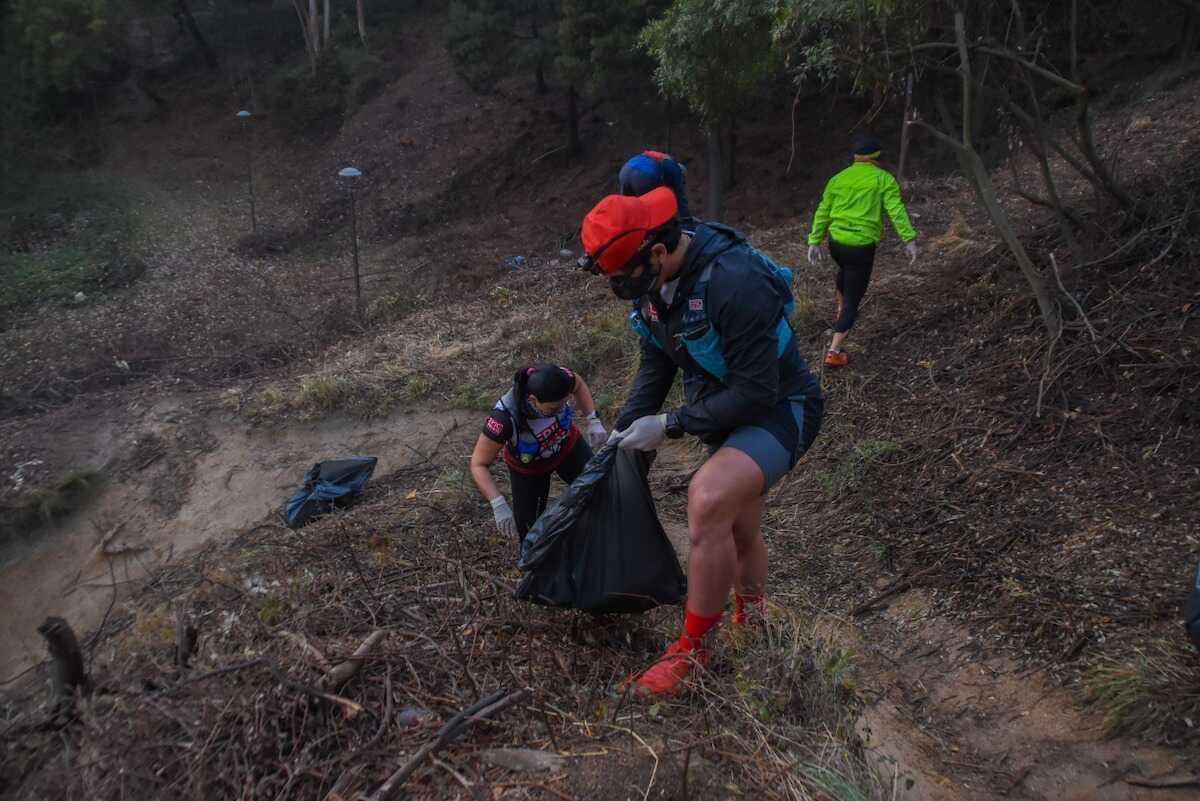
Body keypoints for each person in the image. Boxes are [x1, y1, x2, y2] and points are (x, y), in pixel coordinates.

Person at [578, 186, 824, 697]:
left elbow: (758, 391)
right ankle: (750, 618)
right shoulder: (657, 286)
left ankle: (691, 650)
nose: (621, 289)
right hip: (724, 406)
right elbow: (656, 363)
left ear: (659, 252)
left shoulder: (734, 281)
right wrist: (626, 439)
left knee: (708, 500)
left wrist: (670, 424)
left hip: (781, 409)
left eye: (623, 280)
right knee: (736, 528)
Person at [806, 133, 919, 367]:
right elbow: (896, 210)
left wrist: (814, 241)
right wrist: (909, 239)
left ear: (856, 157)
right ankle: (834, 352)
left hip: (836, 244)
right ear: (877, 158)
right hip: (861, 247)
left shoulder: (837, 179)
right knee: (852, 301)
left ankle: (840, 311)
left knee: (845, 273)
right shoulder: (883, 179)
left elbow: (823, 210)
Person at [469, 364, 607, 547]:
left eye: (563, 405)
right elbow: (478, 464)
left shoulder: (562, 378)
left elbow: (578, 383)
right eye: (553, 409)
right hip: (528, 470)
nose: (559, 411)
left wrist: (592, 419)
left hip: (567, 448)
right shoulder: (504, 418)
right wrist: (497, 502)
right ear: (533, 400)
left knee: (600, 488)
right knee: (530, 532)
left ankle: (601, 538)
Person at [618, 150, 692, 224]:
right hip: (644, 175)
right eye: (682, 182)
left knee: (626, 208)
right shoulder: (675, 168)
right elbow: (680, 196)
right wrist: (687, 219)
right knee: (651, 208)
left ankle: (621, 227)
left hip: (625, 171)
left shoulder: (657, 157)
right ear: (681, 175)